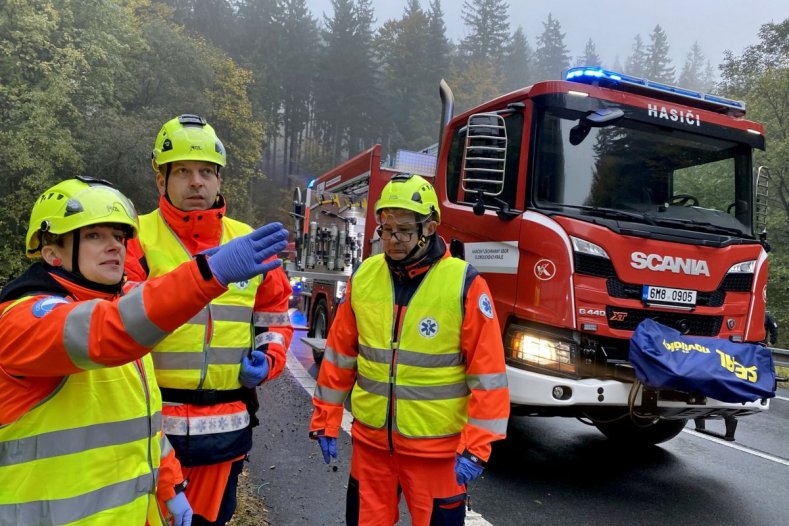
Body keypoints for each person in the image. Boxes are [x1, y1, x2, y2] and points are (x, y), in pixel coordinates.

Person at [0, 177, 288, 525]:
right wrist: (206, 275)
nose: (114, 247)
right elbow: (108, 330)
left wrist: (170, 484)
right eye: (94, 236)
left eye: (119, 237)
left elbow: (143, 424)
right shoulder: (22, 319)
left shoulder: (120, 306)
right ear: (52, 253)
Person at [308, 174, 510, 525]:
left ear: (429, 228)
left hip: (437, 454)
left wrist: (477, 447)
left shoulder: (464, 284)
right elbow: (340, 356)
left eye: (404, 230)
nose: (392, 240)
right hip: (371, 448)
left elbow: (488, 375)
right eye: (386, 228)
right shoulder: (365, 277)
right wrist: (326, 417)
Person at [125, 114, 294, 525]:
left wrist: (268, 357)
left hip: (225, 430)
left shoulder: (248, 243)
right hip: (150, 432)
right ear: (161, 180)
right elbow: (119, 326)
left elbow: (274, 316)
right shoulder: (132, 237)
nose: (196, 182)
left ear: (219, 180)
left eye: (205, 172)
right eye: (182, 171)